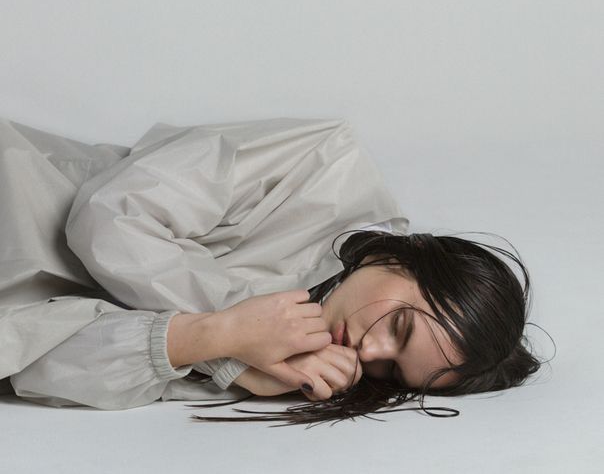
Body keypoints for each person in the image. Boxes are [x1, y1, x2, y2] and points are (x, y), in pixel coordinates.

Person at [0, 116, 545, 426]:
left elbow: (27, 366)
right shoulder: (325, 166)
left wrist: (210, 340)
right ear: (402, 258)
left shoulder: (277, 367)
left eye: (392, 371)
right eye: (399, 326)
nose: (371, 352)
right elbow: (111, 217)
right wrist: (234, 336)